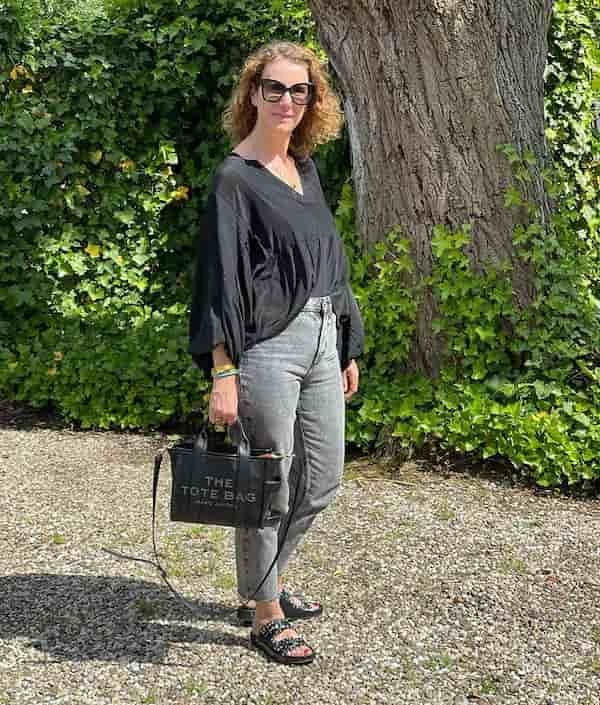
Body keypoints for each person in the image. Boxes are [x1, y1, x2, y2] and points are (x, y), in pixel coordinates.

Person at [188, 40, 364, 665]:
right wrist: (223, 369)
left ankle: (263, 583)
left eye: (300, 90)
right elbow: (219, 280)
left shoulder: (306, 167)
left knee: (322, 479)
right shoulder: (235, 179)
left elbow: (329, 264)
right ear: (252, 95)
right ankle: (265, 612)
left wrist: (346, 341)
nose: (287, 100)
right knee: (268, 482)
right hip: (264, 347)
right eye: (275, 89)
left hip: (320, 337)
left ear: (313, 98)